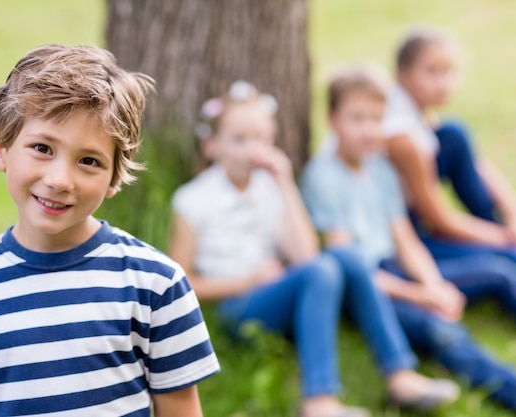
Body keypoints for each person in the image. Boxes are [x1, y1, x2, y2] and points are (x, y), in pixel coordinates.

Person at [0, 44, 220, 417]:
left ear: (114, 176)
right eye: (42, 148)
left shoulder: (155, 284)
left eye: (89, 161)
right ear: (1, 147)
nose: (60, 180)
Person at [170, 80, 458, 417]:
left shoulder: (269, 188)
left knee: (344, 258)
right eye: (239, 140)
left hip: (279, 288)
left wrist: (286, 185)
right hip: (238, 305)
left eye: (262, 139)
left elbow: (305, 254)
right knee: (321, 269)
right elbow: (183, 283)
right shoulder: (192, 200)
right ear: (211, 145)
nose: (252, 149)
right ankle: (319, 401)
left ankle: (399, 374)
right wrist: (249, 281)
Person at [301, 65, 516, 412]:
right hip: (366, 289)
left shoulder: (378, 167)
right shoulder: (323, 178)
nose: (368, 129)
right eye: (357, 118)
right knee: (442, 331)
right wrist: (421, 296)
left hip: (398, 268)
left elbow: (405, 238)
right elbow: (353, 269)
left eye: (376, 119)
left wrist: (434, 284)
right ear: (332, 119)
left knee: (498, 272)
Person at [382, 26, 516, 264]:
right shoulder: (401, 135)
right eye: (432, 72)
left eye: (449, 71)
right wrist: (506, 238)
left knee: (454, 134)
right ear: (403, 74)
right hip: (399, 233)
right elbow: (437, 220)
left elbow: (476, 164)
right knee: (512, 259)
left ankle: (493, 225)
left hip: (414, 216)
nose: (444, 84)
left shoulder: (415, 109)